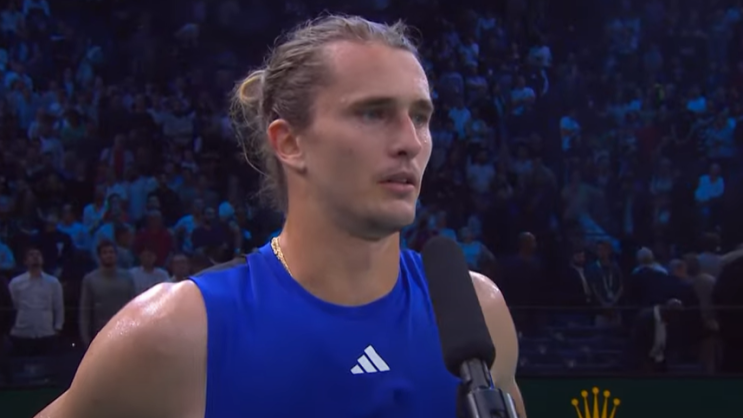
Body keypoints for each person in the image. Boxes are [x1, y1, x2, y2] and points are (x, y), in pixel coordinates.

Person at [37, 15, 526, 418]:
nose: (411, 141)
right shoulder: (176, 332)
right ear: (289, 142)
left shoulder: (478, 316)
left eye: (420, 116)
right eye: (373, 113)